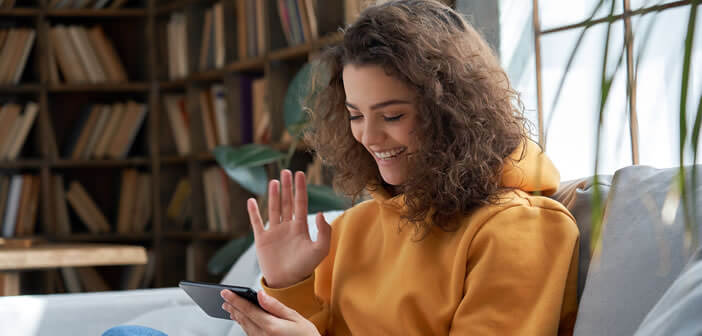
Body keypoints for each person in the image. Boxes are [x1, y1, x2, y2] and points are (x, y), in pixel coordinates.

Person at [104, 0, 578, 335]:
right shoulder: (356, 226)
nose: (369, 138)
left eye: (392, 116)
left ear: (455, 111)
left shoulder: (523, 229)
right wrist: (289, 284)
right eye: (355, 116)